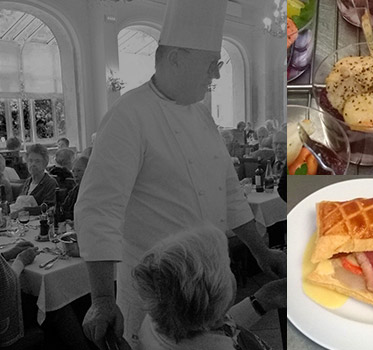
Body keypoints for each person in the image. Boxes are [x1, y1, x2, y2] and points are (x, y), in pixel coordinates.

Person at [76, 1, 285, 348]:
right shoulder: (128, 115)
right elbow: (98, 209)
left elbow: (230, 193)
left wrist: (261, 252)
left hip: (209, 283)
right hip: (156, 292)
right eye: (211, 65)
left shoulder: (201, 115)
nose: (215, 75)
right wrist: (100, 298)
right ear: (176, 59)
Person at [133, 226, 285, 350]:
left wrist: (263, 300)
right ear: (217, 294)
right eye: (228, 267)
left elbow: (206, 326)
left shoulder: (158, 320)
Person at [59, 156, 89, 221]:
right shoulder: (74, 190)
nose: (75, 175)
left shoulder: (90, 192)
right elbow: (63, 208)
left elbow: (81, 213)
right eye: (73, 171)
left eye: (79, 171)